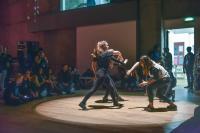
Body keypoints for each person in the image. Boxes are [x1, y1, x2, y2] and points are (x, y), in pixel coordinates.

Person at [79, 40, 124, 110]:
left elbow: (93, 65)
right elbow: (118, 52)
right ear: (105, 46)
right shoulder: (109, 52)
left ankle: (115, 102)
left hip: (101, 73)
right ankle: (82, 102)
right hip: (103, 73)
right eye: (107, 45)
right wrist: (121, 57)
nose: (108, 46)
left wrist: (95, 73)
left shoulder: (98, 53)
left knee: (111, 87)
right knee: (94, 89)